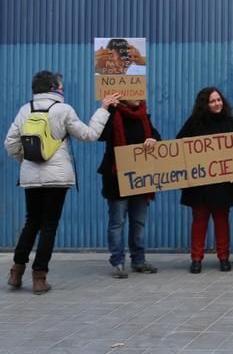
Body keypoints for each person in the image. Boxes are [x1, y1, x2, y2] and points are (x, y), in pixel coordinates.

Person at [5, 71, 118, 294]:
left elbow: (10, 143)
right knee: (49, 226)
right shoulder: (63, 110)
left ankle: (16, 272)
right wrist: (103, 109)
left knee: (31, 222)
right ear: (55, 88)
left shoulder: (25, 110)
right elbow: (89, 134)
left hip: (31, 178)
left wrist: (27, 160)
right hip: (57, 178)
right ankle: (39, 277)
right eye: (61, 86)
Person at [177, 87, 233, 274]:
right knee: (199, 220)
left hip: (223, 183)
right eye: (213, 101)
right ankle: (196, 259)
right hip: (200, 183)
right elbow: (180, 145)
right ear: (204, 105)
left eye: (219, 100)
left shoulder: (231, 122)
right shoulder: (194, 123)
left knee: (222, 220)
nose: (217, 104)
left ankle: (224, 258)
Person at [98, 98, 161, 279]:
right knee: (117, 222)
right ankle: (118, 262)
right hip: (116, 177)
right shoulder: (112, 114)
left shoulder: (143, 117)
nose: (138, 98)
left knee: (138, 221)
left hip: (140, 178)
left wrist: (153, 139)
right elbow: (100, 135)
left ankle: (138, 260)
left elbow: (157, 137)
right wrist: (105, 109)